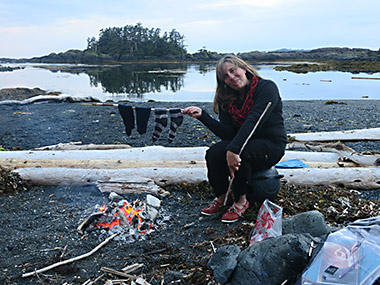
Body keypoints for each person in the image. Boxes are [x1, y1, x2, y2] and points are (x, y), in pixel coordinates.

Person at [181, 54, 287, 223]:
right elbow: (228, 134)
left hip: (271, 145)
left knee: (240, 152)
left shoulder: (266, 88)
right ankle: (223, 197)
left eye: (233, 70)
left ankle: (241, 200)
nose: (231, 77)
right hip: (244, 142)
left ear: (243, 68)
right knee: (214, 153)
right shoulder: (227, 100)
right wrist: (203, 116)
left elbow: (254, 121)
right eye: (225, 76)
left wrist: (234, 149)